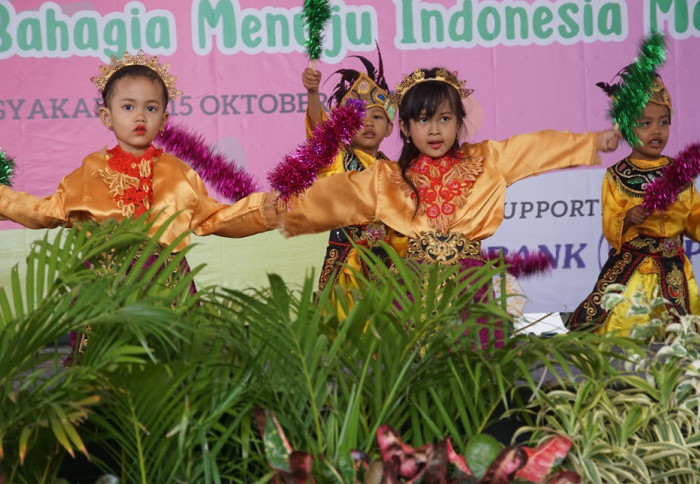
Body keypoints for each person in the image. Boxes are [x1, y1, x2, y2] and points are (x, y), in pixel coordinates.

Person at [280, 66, 620, 344]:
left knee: (472, 377)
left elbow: (533, 148)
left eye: (444, 119)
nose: (434, 130)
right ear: (406, 127)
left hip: (461, 283)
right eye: (424, 120)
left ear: (459, 122)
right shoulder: (387, 175)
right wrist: (268, 215)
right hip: (391, 278)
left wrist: (589, 143)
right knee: (393, 364)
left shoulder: (484, 159)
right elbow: (312, 192)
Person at [0, 50, 277, 354]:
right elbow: (46, 211)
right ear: (107, 116)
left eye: (151, 108)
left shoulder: (178, 173)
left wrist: (264, 209)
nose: (140, 116)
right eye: (128, 106)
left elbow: (214, 217)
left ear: (164, 119)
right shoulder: (88, 173)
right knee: (108, 372)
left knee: (168, 376)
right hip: (104, 291)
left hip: (166, 286)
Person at [568, 69, 700, 335]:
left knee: (680, 338)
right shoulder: (616, 176)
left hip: (674, 270)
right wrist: (628, 217)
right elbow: (610, 221)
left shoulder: (680, 174)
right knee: (622, 331)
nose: (656, 131)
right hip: (631, 270)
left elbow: (693, 218)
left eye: (664, 123)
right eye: (645, 123)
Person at [301, 53, 406, 310]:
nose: (368, 123)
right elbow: (318, 130)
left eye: (378, 117)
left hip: (386, 269)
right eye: (359, 118)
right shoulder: (337, 159)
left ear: (391, 127)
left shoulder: (396, 172)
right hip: (346, 267)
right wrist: (313, 93)